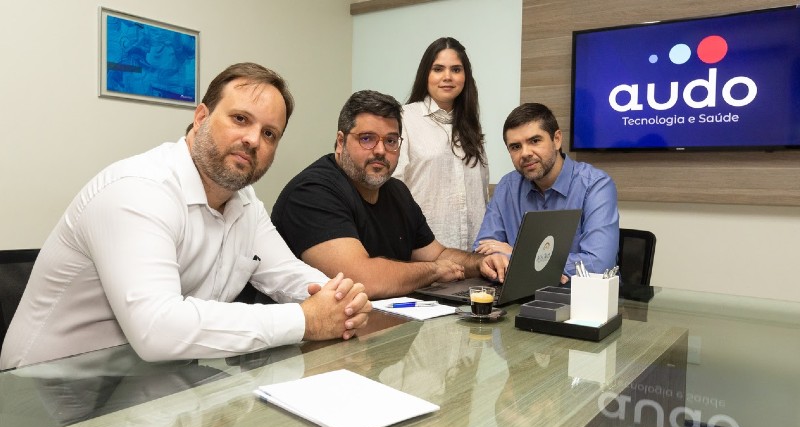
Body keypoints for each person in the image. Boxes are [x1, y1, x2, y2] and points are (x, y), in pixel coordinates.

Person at [0, 63, 371, 370]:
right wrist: (304, 320)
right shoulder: (139, 189)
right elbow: (158, 329)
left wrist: (340, 299)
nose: (254, 140)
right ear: (200, 118)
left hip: (147, 383)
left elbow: (289, 274)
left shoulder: (243, 203)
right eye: (240, 118)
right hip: (45, 391)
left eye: (270, 133)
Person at [271, 90, 508, 300]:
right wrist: (434, 270)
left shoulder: (396, 192)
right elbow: (364, 280)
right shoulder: (312, 192)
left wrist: (480, 264)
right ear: (341, 142)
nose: (381, 151)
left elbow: (439, 254)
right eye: (367, 139)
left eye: (391, 141)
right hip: (306, 344)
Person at [474, 103, 619, 283]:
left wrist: (518, 256)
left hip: (583, 301)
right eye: (515, 147)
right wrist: (495, 260)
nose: (525, 153)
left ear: (557, 140)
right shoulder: (507, 186)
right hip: (520, 296)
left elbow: (598, 264)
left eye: (535, 141)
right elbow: (482, 249)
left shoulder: (595, 185)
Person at [394, 37, 489, 250]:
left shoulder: (471, 126)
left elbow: (482, 196)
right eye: (438, 69)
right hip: (425, 253)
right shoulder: (404, 119)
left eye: (456, 69)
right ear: (425, 75)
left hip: (473, 256)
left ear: (465, 77)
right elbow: (394, 191)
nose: (447, 77)